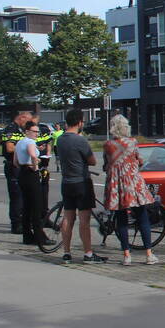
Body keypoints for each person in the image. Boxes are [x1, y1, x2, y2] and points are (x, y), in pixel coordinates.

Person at [103, 114, 158, 266]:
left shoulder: (108, 145)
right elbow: (139, 160)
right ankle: (148, 254)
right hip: (133, 184)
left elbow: (106, 165)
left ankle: (126, 255)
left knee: (121, 220)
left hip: (117, 186)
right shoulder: (133, 142)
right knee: (142, 217)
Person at [57, 109, 107, 264]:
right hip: (81, 182)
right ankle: (88, 253)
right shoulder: (80, 140)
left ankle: (66, 252)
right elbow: (92, 161)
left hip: (66, 182)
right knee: (84, 220)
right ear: (79, 122)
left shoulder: (60, 139)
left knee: (67, 218)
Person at [12, 120, 50, 246]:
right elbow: (33, 156)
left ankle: (27, 236)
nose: (37, 134)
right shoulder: (30, 142)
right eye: (34, 131)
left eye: (37, 132)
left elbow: (15, 162)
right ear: (27, 131)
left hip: (22, 173)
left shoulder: (19, 143)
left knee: (27, 207)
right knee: (36, 207)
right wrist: (35, 166)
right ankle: (40, 238)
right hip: (31, 174)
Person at [0, 110, 32, 234]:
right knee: (16, 196)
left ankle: (23, 222)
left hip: (20, 166)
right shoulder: (11, 129)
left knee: (23, 196)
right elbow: (9, 148)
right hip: (13, 166)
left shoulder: (19, 130)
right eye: (27, 121)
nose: (28, 124)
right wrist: (26, 148)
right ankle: (16, 224)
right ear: (22, 117)